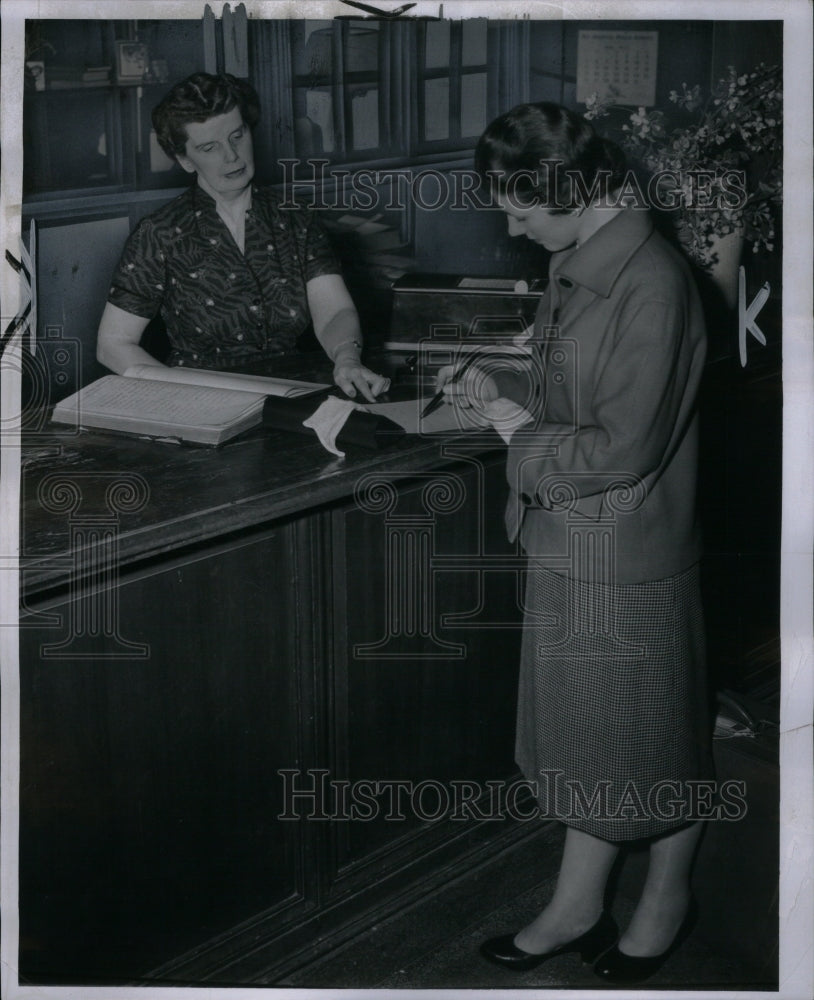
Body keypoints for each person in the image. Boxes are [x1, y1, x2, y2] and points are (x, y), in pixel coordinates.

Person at [436, 102, 710, 984]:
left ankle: (666, 901)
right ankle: (578, 904)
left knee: (650, 742)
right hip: (571, 537)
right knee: (593, 742)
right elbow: (572, 376)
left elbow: (623, 446)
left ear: (570, 190)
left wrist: (511, 426)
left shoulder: (654, 280)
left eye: (519, 207)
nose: (510, 226)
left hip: (622, 550)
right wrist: (502, 374)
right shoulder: (579, 260)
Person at [97, 72, 388, 402]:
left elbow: (334, 310)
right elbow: (112, 345)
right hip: (199, 398)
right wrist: (175, 390)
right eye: (210, 147)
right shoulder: (160, 233)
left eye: (237, 136)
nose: (231, 156)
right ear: (184, 159)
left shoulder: (294, 217)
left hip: (292, 390)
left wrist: (346, 360)